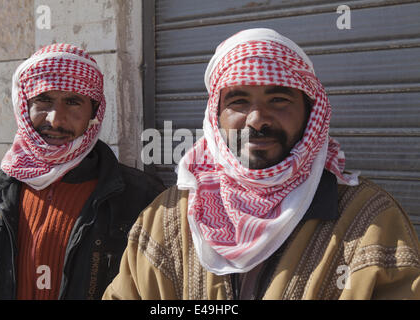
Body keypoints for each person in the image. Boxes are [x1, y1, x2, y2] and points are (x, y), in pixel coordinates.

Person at [103, 28, 420, 300]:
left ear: (310, 113)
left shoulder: (370, 221)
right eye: (238, 102)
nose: (256, 119)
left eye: (279, 100)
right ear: (216, 118)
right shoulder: (166, 219)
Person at [0, 44, 165, 300]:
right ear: (23, 106)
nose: (56, 120)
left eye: (73, 102)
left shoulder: (143, 198)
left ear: (94, 112)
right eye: (43, 100)